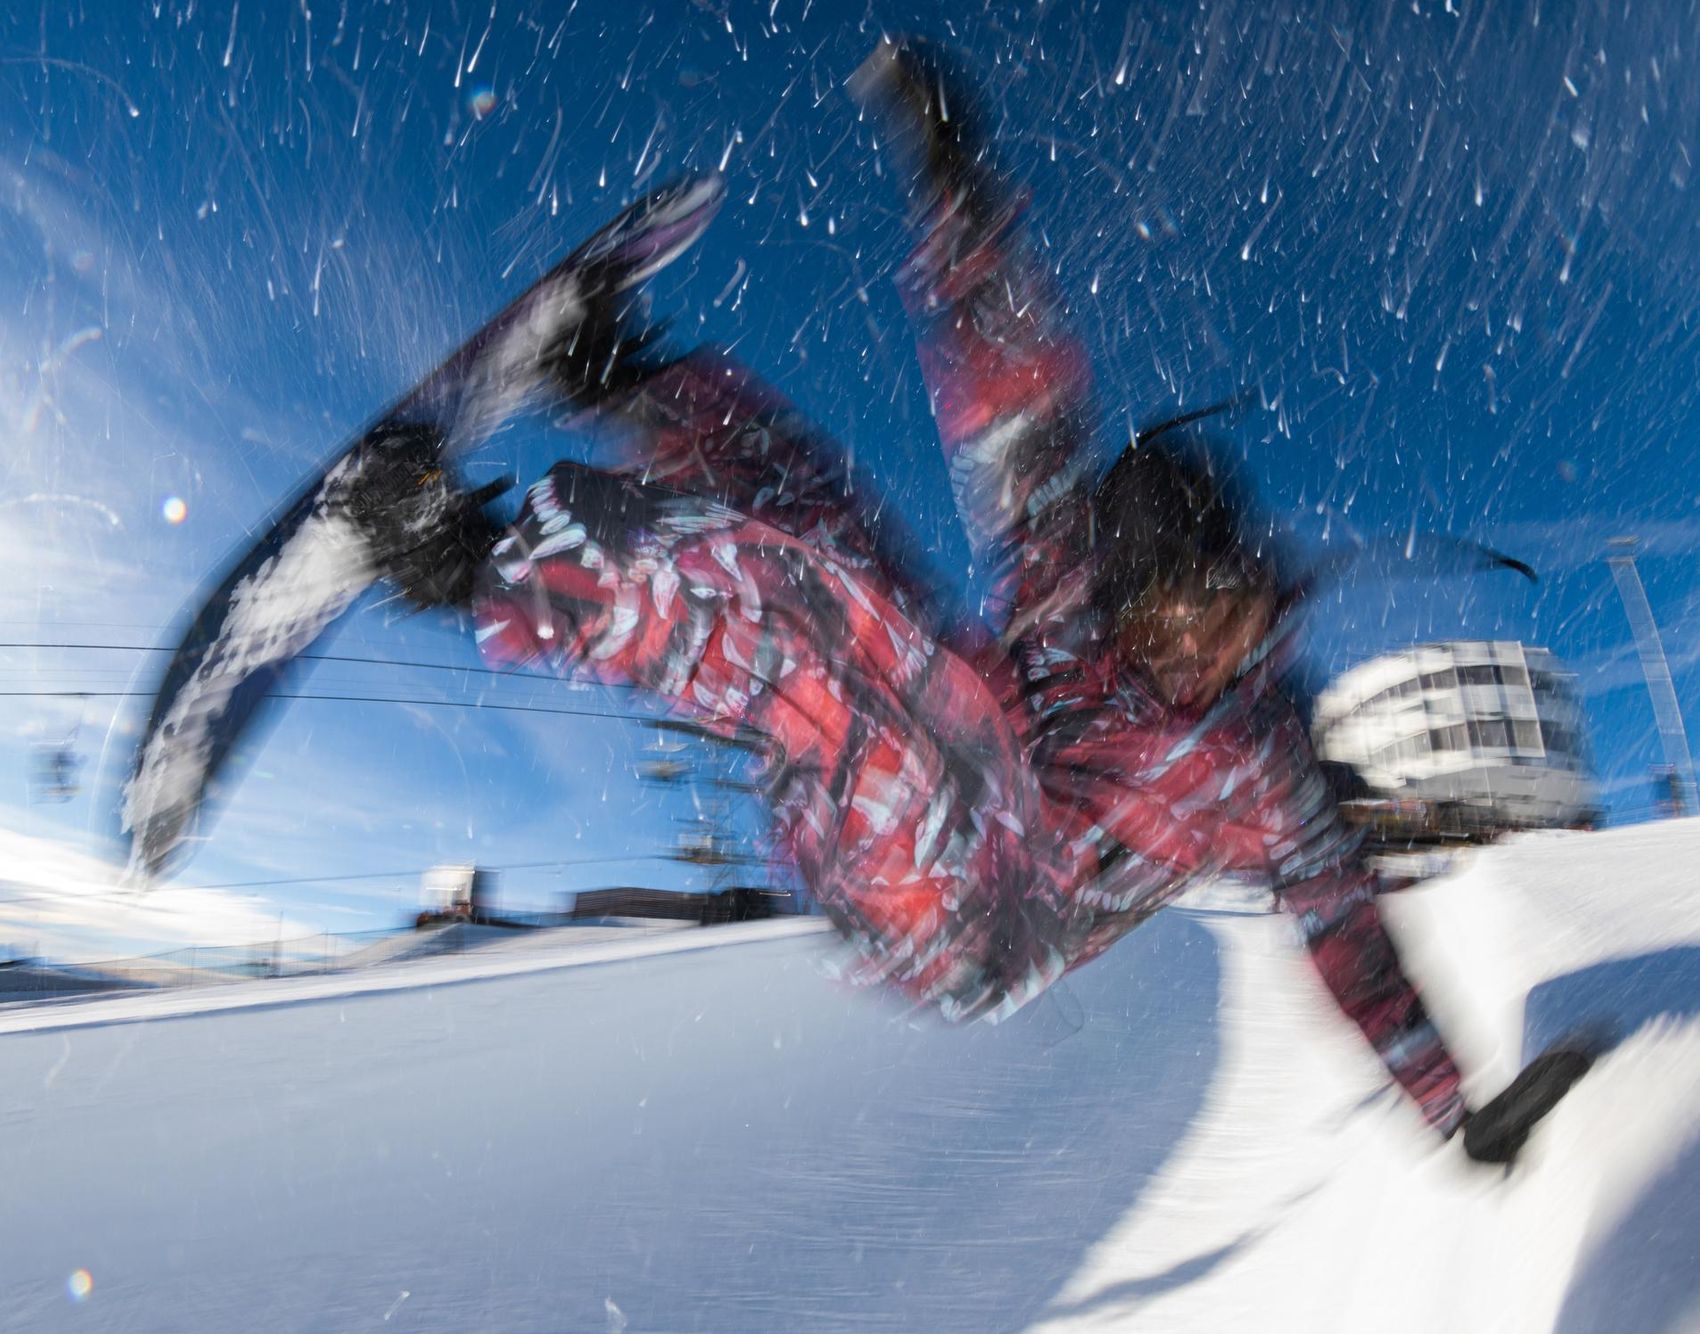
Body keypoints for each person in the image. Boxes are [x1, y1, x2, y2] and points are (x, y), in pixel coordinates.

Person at [409, 40, 1577, 1163]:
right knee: (825, 520)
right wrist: (956, 183)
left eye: (1221, 606)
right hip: (904, 792)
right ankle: (624, 382)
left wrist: (1450, 1106)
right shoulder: (1065, 573)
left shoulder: (1262, 764)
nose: (1202, 642)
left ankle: (467, 561)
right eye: (1169, 615)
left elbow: (1349, 942)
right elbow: (1014, 385)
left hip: (982, 920)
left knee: (851, 646)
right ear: (1123, 599)